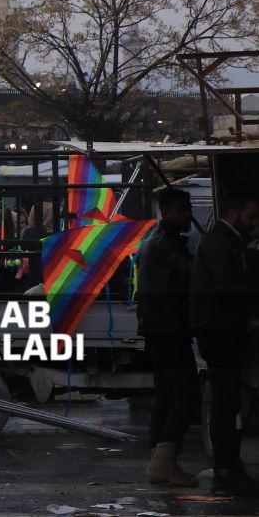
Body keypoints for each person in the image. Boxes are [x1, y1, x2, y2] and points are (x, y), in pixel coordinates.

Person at [190, 191, 259, 496]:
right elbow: (227, 285)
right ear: (234, 212)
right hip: (220, 333)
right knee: (224, 403)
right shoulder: (220, 241)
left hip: (222, 331)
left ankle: (229, 466)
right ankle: (225, 471)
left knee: (227, 402)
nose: (254, 223)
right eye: (251, 216)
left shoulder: (224, 239)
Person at [137, 187, 199, 487]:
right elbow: (193, 276)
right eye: (183, 210)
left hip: (158, 330)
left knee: (165, 396)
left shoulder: (153, 242)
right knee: (186, 397)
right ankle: (164, 462)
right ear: (167, 212)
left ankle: (158, 460)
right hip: (169, 330)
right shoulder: (168, 246)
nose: (188, 216)